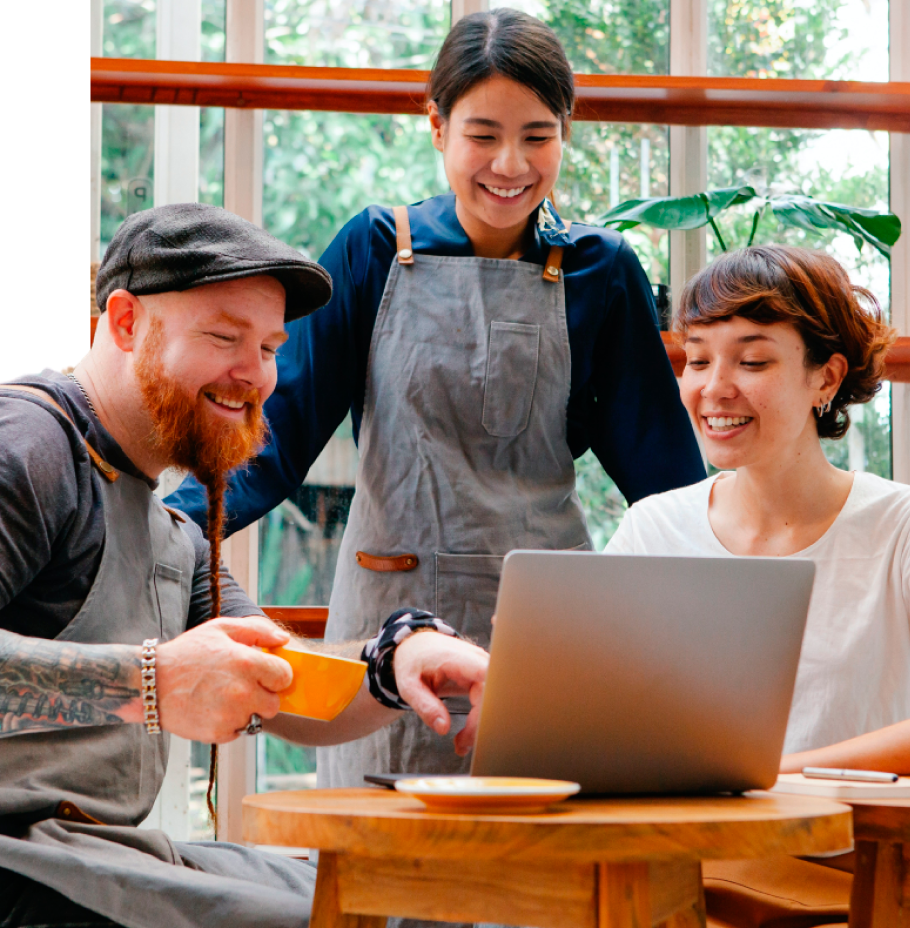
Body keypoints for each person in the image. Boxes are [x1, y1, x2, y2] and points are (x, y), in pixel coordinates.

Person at [168, 8, 705, 795]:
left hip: (548, 628)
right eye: (483, 134)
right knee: (383, 891)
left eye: (537, 135)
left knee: (538, 892)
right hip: (389, 627)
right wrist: (166, 528)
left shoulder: (603, 270)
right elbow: (275, 441)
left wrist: (732, 611)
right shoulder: (374, 248)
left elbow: (665, 484)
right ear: (437, 128)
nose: (510, 163)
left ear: (566, 131)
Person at [0, 203, 489, 928]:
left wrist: (397, 658)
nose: (254, 374)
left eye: (269, 347)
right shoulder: (27, 444)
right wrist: (154, 682)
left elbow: (285, 687)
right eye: (225, 337)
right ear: (126, 322)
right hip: (21, 870)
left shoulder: (173, 530)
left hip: (97, 855)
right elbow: (165, 682)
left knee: (397, 902)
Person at [605, 244, 910, 928]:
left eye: (752, 361)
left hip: (855, 876)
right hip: (675, 871)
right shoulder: (652, 528)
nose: (715, 387)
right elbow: (599, 724)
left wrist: (768, 776)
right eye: (697, 359)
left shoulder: (907, 527)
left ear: (825, 378)